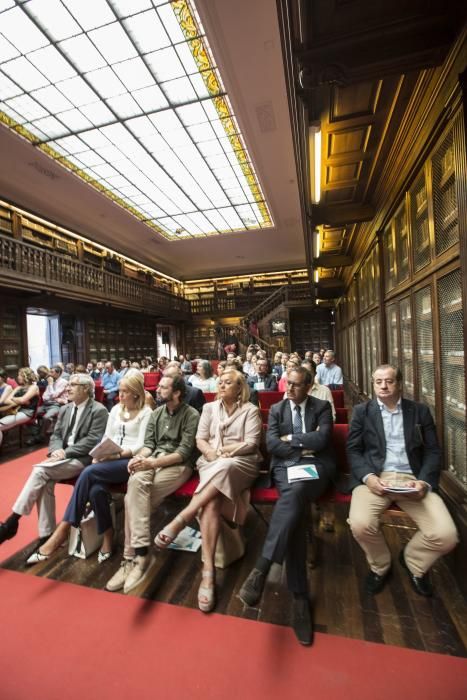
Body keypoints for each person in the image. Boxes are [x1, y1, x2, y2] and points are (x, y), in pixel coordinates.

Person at [239, 366, 335, 646]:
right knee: (294, 505)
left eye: (295, 385)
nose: (288, 389)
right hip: (285, 470)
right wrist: (303, 445)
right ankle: (299, 597)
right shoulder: (279, 409)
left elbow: (323, 439)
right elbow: (271, 445)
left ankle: (263, 567)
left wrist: (291, 440)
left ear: (309, 385)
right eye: (287, 384)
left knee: (293, 498)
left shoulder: (322, 406)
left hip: (316, 468)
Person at [155, 369, 262, 613]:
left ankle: (183, 517)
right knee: (211, 503)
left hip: (242, 464)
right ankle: (208, 572)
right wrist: (211, 453)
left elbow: (251, 443)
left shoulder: (250, 410)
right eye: (220, 382)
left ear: (239, 388)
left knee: (225, 466)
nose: (222, 385)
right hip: (211, 462)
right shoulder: (209, 409)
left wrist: (225, 452)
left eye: (228, 383)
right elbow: (200, 440)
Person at [347, 364, 458, 597]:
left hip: (412, 480)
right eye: (378, 381)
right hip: (376, 479)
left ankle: (413, 562)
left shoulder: (419, 411)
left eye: (389, 381)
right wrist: (368, 478)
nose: (384, 386)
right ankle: (380, 566)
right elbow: (354, 451)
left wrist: (424, 483)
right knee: (359, 523)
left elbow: (432, 452)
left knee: (447, 536)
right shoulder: (362, 412)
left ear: (399, 383)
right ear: (373, 384)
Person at [27, 373, 152, 564]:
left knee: (88, 472)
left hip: (130, 461)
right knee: (96, 490)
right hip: (109, 458)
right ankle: (108, 536)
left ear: (136, 394)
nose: (120, 395)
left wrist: (116, 455)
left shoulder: (146, 413)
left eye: (125, 392)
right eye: (120, 391)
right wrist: (99, 453)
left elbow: (141, 444)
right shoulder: (117, 409)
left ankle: (63, 530)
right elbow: (106, 437)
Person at [105, 373, 200, 594]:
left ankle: (132, 559)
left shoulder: (191, 415)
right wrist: (140, 459)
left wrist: (151, 462)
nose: (157, 389)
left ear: (177, 392)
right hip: (153, 460)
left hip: (178, 466)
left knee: (132, 500)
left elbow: (183, 453)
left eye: (164, 387)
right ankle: (140, 556)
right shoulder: (157, 414)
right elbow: (148, 445)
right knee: (135, 489)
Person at [0, 374, 108, 545]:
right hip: (61, 458)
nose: (68, 388)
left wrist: (65, 453)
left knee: (39, 470)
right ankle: (46, 535)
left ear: (86, 389)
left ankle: (12, 521)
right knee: (45, 484)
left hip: (83, 460)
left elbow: (92, 440)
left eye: (73, 385)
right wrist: (56, 450)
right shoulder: (65, 409)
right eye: (69, 384)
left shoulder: (99, 410)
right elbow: (56, 434)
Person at [0, 367, 40, 448]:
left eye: (20, 375)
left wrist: (19, 400)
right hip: (17, 411)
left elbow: (22, 400)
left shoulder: (34, 387)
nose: (18, 377)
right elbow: (7, 400)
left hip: (27, 412)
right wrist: (21, 400)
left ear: (26, 376)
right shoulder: (18, 387)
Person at [31, 364, 68, 443]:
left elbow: (54, 395)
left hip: (56, 405)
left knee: (46, 417)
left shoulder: (63, 382)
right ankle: (36, 432)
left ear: (58, 373)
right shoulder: (50, 381)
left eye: (52, 372)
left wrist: (50, 385)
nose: (49, 374)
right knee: (32, 413)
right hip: (46, 404)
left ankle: (41, 436)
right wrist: (51, 396)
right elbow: (44, 396)